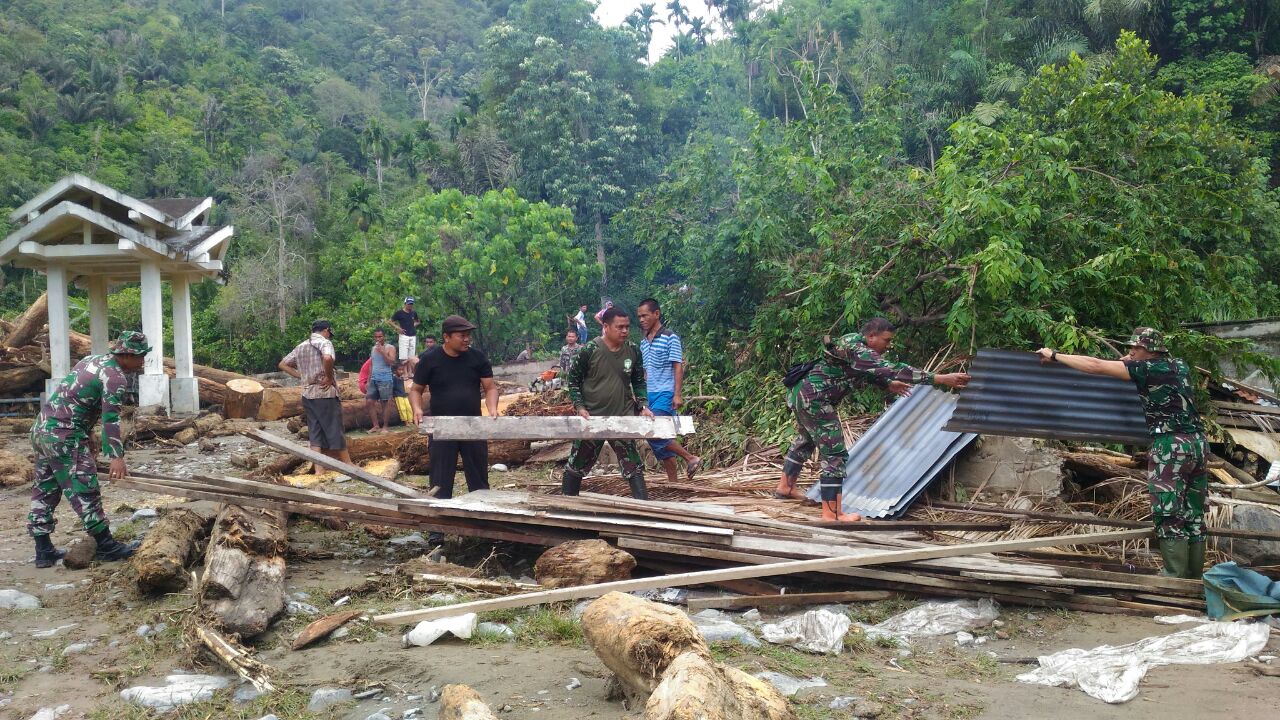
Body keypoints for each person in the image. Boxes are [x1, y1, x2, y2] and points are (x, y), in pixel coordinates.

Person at [1037, 328, 1208, 578]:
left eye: (1136, 347)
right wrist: (1131, 358)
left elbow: (1095, 366)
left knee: (1168, 509)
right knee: (1193, 511)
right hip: (1198, 444)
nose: (1131, 351)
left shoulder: (1145, 369)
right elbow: (1130, 362)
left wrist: (1054, 355)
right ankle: (1193, 576)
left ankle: (1174, 575)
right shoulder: (1178, 365)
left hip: (1171, 444)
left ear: (1151, 351)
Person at [776, 318, 971, 522]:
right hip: (815, 400)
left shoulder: (853, 342)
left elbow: (861, 370)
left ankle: (785, 487)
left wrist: (887, 384)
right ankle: (832, 514)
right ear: (871, 336)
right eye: (886, 340)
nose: (888, 346)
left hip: (803, 395)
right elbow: (893, 369)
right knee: (835, 454)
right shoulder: (859, 349)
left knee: (806, 441)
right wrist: (939, 378)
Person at [27, 330, 150, 567]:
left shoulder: (91, 360)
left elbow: (74, 397)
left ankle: (43, 551)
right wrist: (116, 457)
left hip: (42, 429)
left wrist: (88, 433)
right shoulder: (115, 377)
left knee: (45, 488)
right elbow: (110, 419)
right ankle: (106, 545)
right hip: (64, 436)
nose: (143, 361)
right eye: (141, 356)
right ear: (127, 355)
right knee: (85, 486)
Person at [410, 315, 499, 521]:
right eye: (462, 336)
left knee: (478, 478)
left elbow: (490, 388)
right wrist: (417, 408)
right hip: (442, 428)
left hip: (473, 426)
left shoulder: (477, 358)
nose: (467, 339)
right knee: (440, 479)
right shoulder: (430, 360)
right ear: (446, 337)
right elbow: (415, 390)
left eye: (468, 335)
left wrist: (492, 408)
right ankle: (438, 526)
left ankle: (482, 523)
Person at [563, 306, 654, 500]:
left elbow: (638, 381)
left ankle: (644, 509)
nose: (625, 331)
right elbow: (573, 380)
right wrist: (579, 406)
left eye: (627, 327)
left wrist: (643, 406)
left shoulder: (633, 350)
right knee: (576, 464)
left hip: (622, 417)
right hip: (592, 418)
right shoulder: (590, 350)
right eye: (619, 327)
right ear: (605, 326)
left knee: (633, 466)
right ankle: (566, 506)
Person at [637, 299, 702, 482]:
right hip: (649, 394)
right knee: (661, 436)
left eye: (645, 315)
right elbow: (645, 371)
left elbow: (677, 366)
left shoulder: (670, 337)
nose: (641, 319)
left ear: (656, 314)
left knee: (654, 430)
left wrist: (677, 394)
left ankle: (690, 458)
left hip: (665, 392)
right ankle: (673, 482)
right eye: (639, 316)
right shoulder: (643, 342)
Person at [279, 319, 353, 473]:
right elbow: (327, 358)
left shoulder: (301, 346)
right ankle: (348, 464)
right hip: (324, 393)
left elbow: (282, 364)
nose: (329, 336)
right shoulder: (325, 343)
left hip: (307, 393)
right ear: (326, 330)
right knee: (334, 427)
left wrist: (301, 376)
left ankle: (319, 469)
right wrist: (329, 377)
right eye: (329, 333)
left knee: (315, 431)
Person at [366, 328, 397, 432]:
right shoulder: (373, 348)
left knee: (385, 402)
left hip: (385, 379)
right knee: (369, 401)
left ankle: (385, 426)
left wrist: (383, 352)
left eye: (380, 336)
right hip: (374, 378)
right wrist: (368, 380)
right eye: (376, 337)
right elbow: (371, 364)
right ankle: (376, 426)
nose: (378, 339)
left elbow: (391, 362)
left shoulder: (390, 348)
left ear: (384, 337)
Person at [390, 297, 421, 362]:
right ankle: (404, 368)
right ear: (405, 304)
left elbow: (418, 321)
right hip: (404, 335)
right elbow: (390, 321)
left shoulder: (414, 313)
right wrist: (398, 328)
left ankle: (410, 369)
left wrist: (412, 325)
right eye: (409, 304)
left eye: (411, 304)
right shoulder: (399, 313)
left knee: (411, 358)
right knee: (403, 357)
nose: (410, 305)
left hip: (413, 336)